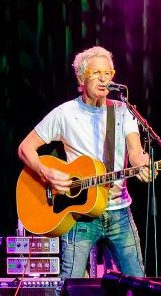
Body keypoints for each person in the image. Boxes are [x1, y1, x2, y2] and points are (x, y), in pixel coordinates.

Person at [17, 45, 152, 279]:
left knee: (138, 283)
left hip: (119, 213)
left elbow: (137, 153)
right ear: (81, 77)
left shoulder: (123, 111)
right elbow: (25, 148)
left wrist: (144, 166)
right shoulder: (64, 114)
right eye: (96, 73)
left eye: (108, 73)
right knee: (71, 289)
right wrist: (45, 173)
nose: (104, 79)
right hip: (79, 215)